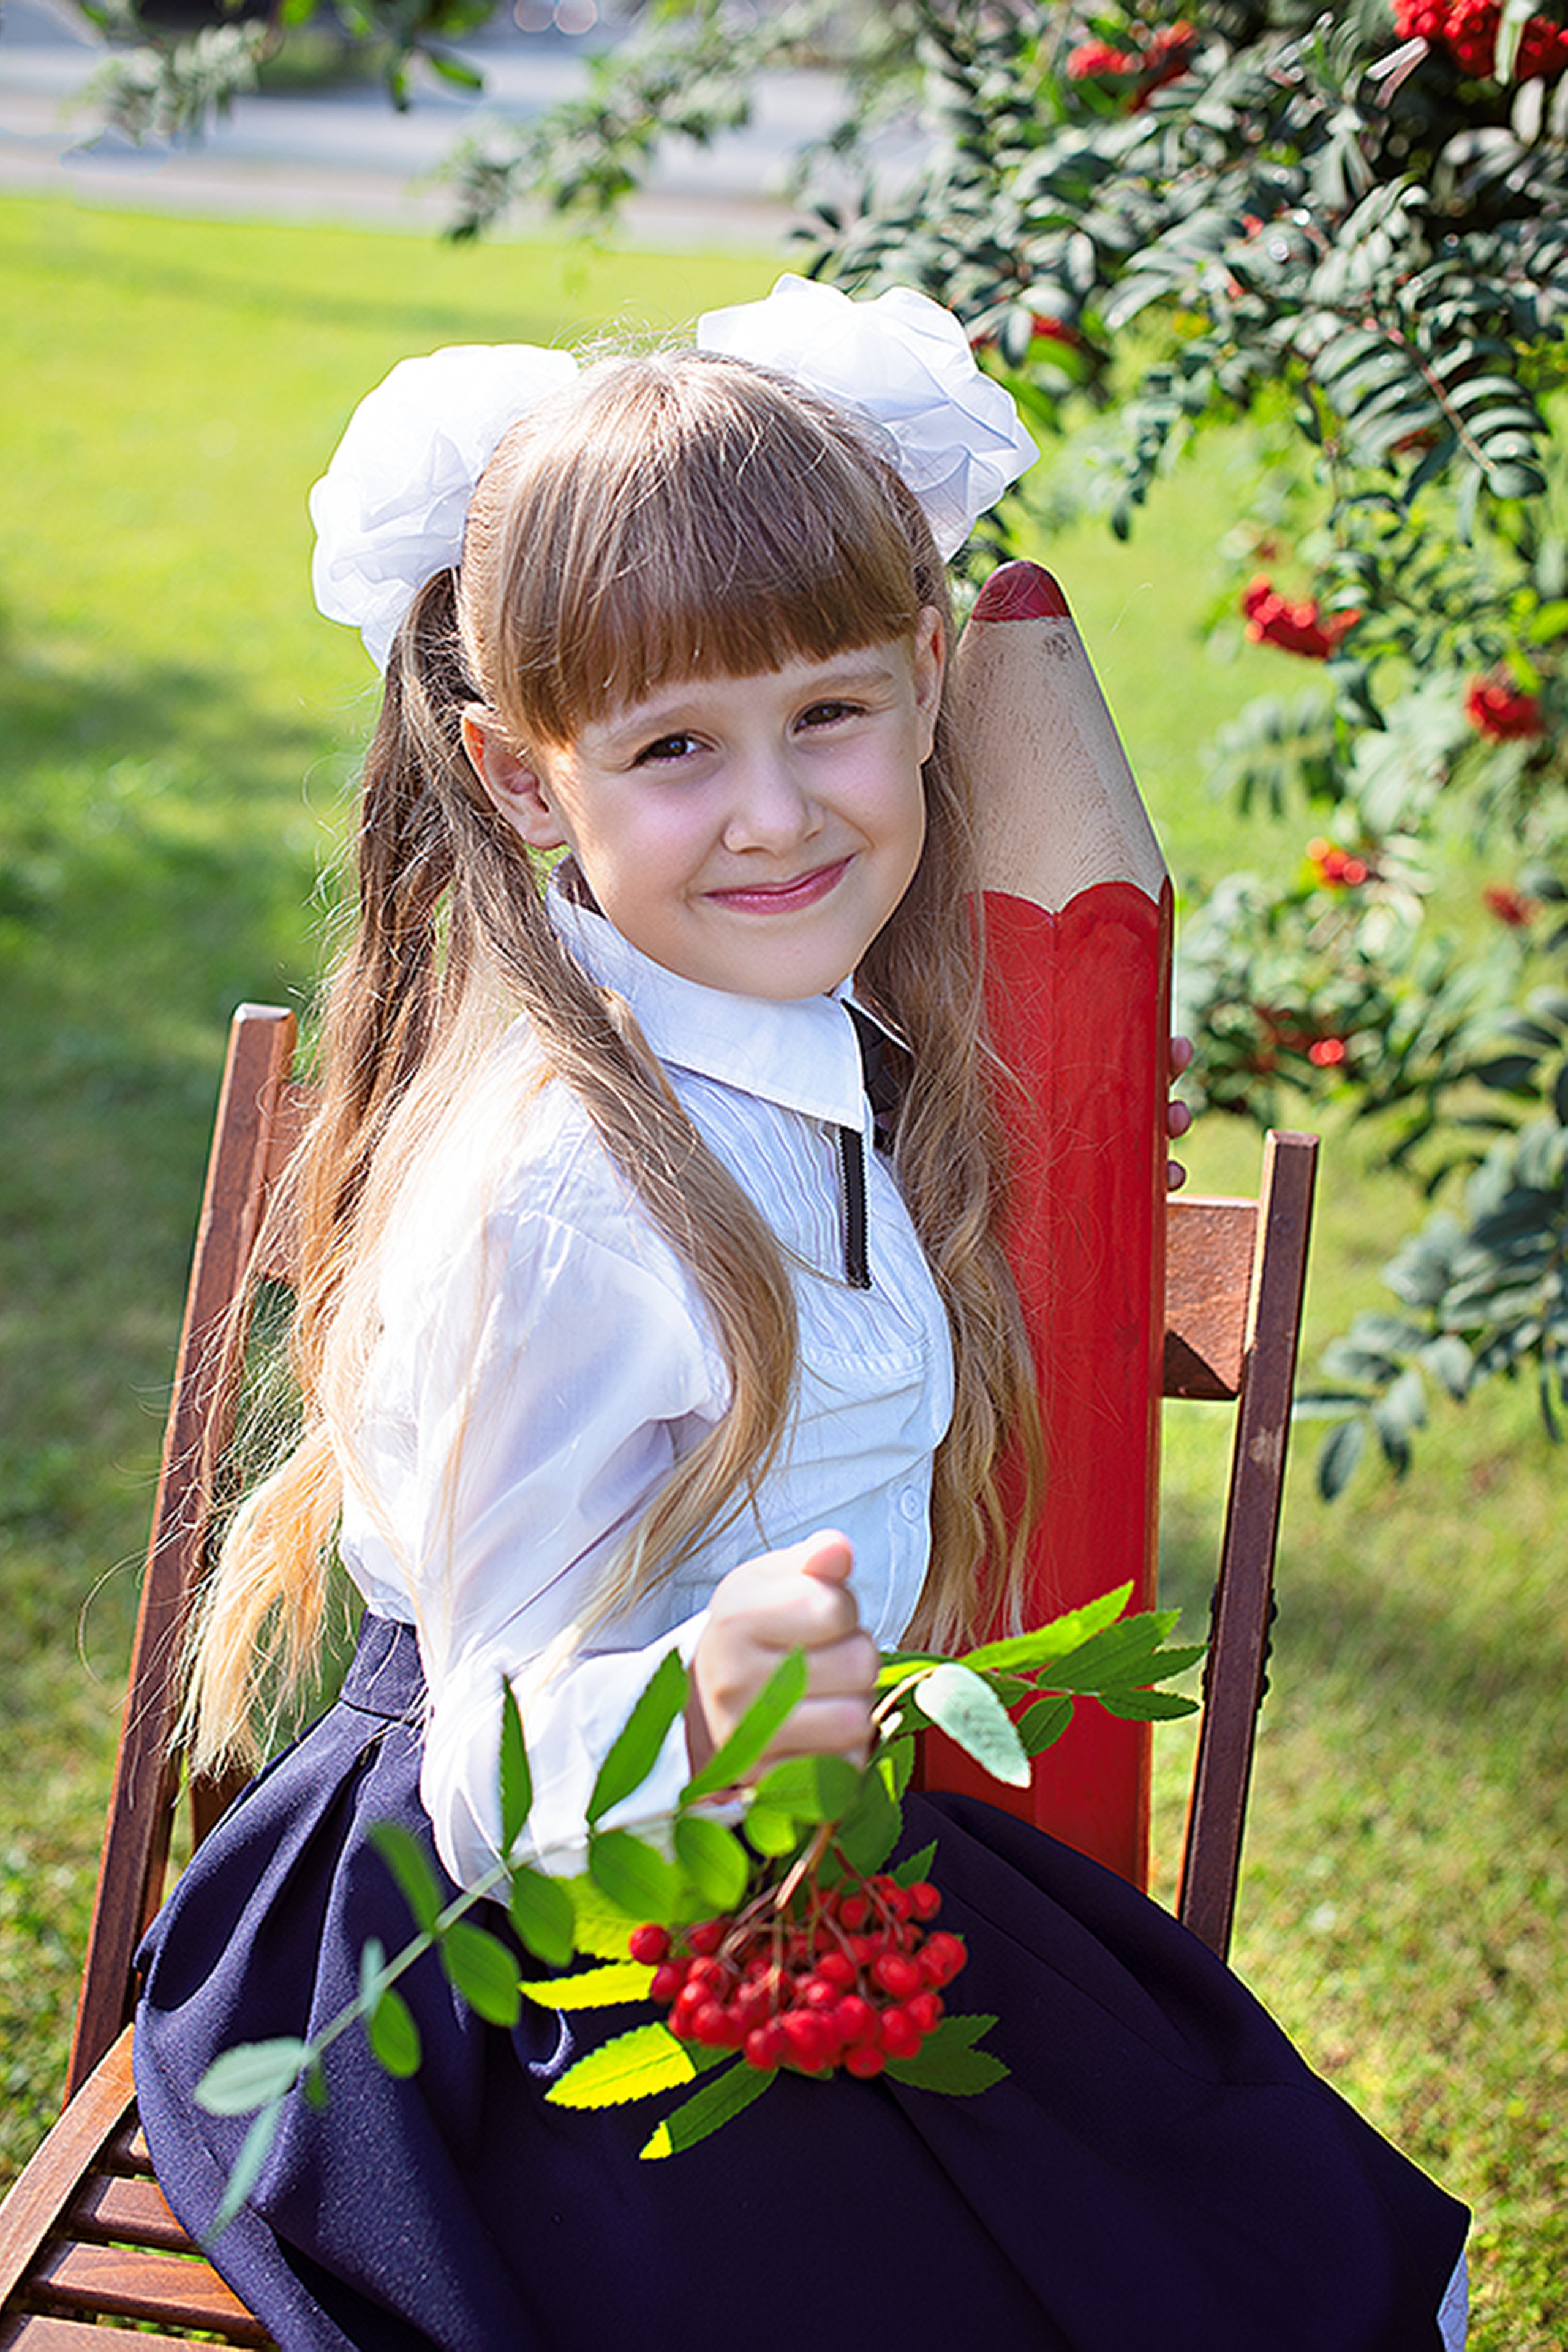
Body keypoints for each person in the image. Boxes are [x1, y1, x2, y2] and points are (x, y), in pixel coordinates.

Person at [134, 275, 1469, 2351]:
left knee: (1241, 2220)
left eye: (828, 714)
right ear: (515, 773)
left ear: (931, 680)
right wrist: (711, 1688)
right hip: (503, 1963)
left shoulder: (794, 1035)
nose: (774, 812)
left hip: (772, 1854)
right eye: (675, 749)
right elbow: (494, 1768)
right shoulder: (569, 1194)